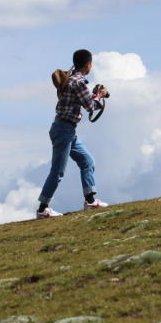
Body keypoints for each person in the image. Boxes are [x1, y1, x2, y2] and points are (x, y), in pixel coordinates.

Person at [36, 49, 109, 219]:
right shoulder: (79, 82)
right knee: (58, 172)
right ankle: (42, 209)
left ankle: (90, 200)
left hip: (66, 128)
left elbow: (82, 99)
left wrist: (94, 96)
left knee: (87, 161)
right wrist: (101, 95)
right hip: (64, 129)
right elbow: (91, 107)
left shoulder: (71, 78)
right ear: (88, 64)